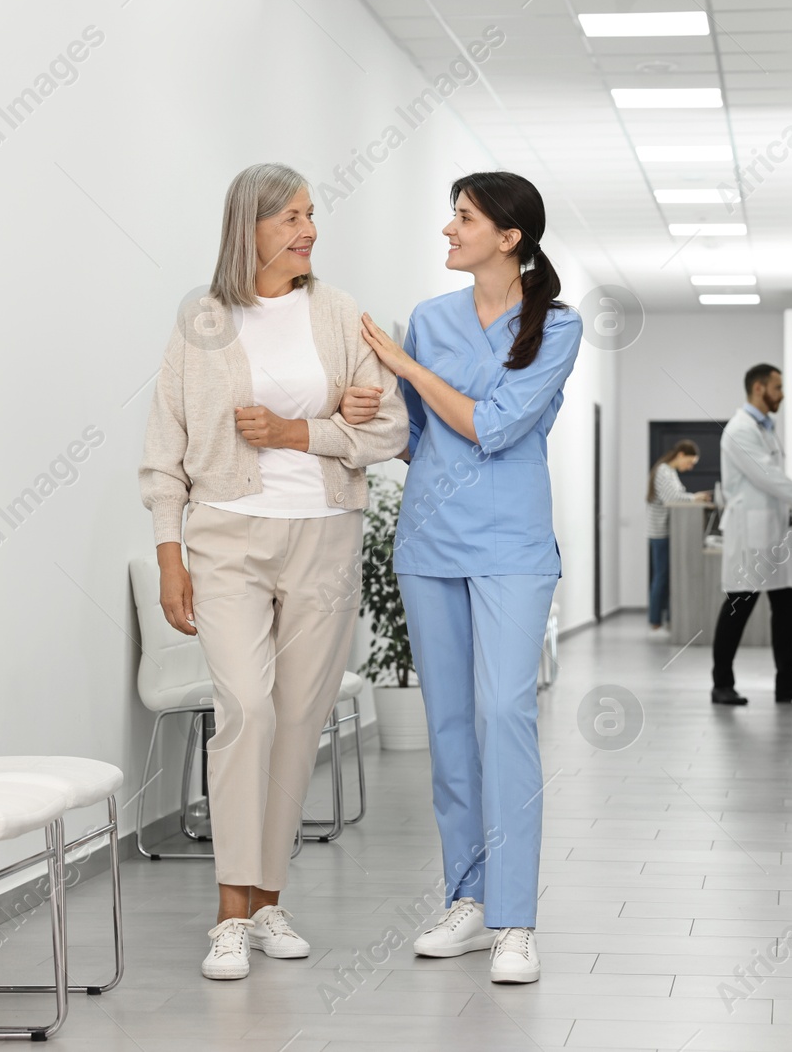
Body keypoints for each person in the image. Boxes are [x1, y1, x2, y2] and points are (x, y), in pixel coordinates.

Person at [138, 163, 408, 981]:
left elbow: (389, 430)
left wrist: (305, 434)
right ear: (247, 227)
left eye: (311, 214)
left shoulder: (342, 315)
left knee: (299, 719)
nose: (307, 229)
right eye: (290, 215)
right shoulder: (204, 321)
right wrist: (169, 554)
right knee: (247, 707)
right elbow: (164, 448)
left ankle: (269, 900)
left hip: (324, 534)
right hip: (227, 535)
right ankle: (229, 911)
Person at [342, 171, 581, 984]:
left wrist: (408, 367)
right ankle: (469, 900)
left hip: (511, 545)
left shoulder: (557, 324)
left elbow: (495, 425)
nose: (449, 229)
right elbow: (416, 438)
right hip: (431, 544)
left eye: (465, 217)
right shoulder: (433, 318)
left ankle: (516, 920)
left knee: (505, 713)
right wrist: (365, 404)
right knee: (448, 729)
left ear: (509, 237)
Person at [710, 363, 792, 706]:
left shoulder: (763, 428)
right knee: (739, 606)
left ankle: (788, 683)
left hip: (771, 532)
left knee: (785, 607)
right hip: (750, 534)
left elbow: (768, 480)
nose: (782, 395)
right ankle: (721, 684)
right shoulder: (740, 429)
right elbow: (765, 477)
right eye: (777, 388)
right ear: (758, 389)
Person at [645, 440, 711, 635]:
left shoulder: (669, 472)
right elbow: (672, 499)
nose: (690, 467)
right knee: (662, 576)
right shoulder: (664, 471)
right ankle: (655, 621)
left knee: (666, 575)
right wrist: (695, 497)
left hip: (666, 531)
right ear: (681, 454)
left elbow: (676, 495)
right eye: (690, 462)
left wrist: (693, 497)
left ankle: (668, 619)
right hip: (660, 532)